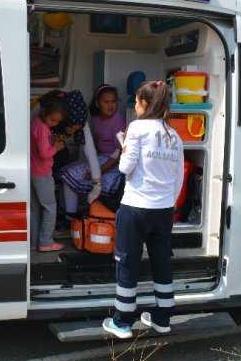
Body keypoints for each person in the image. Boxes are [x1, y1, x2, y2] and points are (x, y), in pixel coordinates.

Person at [102, 80, 185, 339]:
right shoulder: (174, 135)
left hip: (135, 206)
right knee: (161, 260)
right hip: (163, 210)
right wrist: (167, 202)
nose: (135, 107)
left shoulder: (137, 128)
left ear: (145, 104)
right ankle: (162, 318)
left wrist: (125, 145)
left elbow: (125, 168)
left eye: (137, 102)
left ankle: (123, 321)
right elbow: (178, 177)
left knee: (127, 261)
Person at [55, 84, 125, 235]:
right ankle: (64, 215)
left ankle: (69, 220)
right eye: (106, 102)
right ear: (97, 103)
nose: (111, 105)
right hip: (100, 158)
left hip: (112, 162)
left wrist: (98, 172)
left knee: (71, 174)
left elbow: (118, 152)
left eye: (114, 101)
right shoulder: (94, 118)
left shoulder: (118, 119)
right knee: (64, 172)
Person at [30, 90, 68, 252]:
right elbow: (45, 154)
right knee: (50, 206)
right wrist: (56, 147)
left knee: (36, 208)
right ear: (44, 111)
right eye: (52, 120)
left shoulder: (35, 121)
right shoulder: (43, 128)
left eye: (57, 122)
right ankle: (45, 241)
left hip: (31, 172)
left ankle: (33, 242)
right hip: (42, 173)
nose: (53, 124)